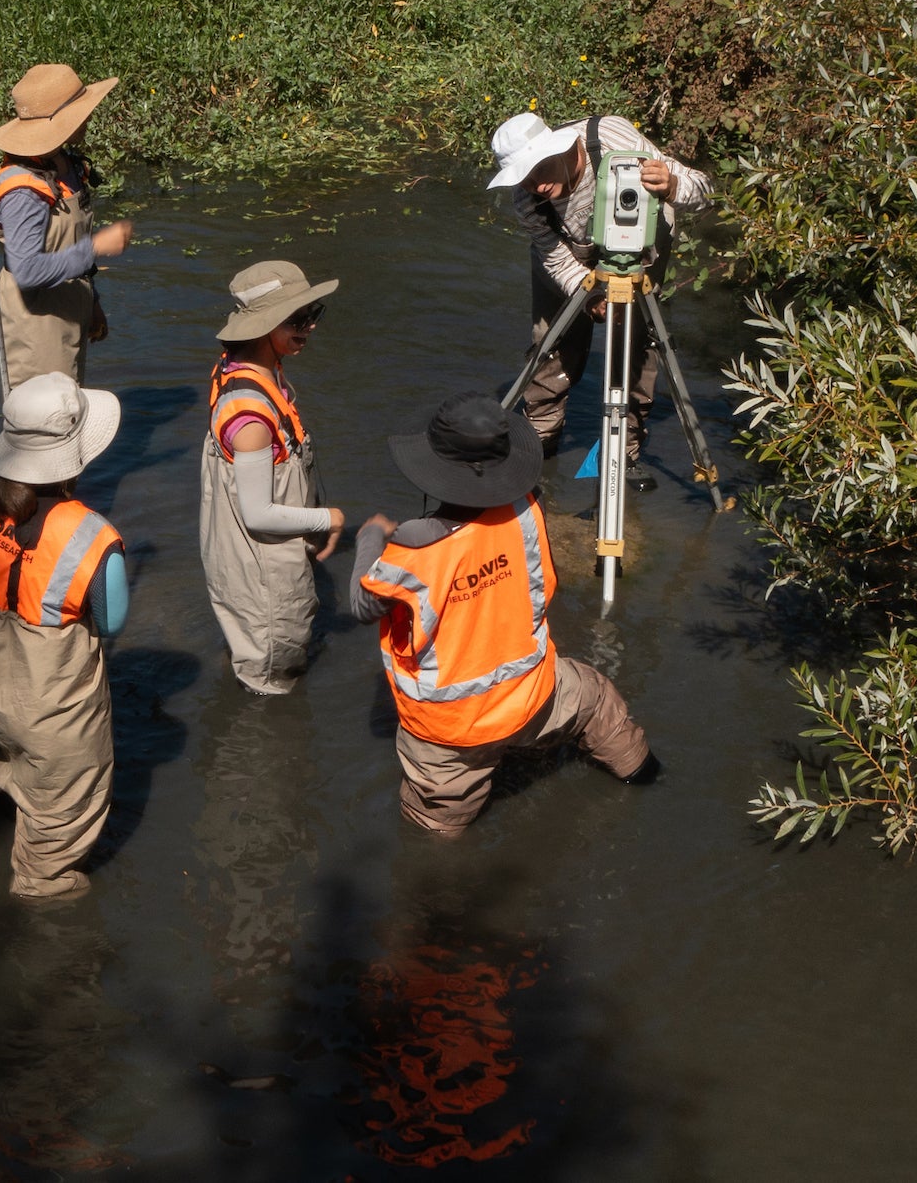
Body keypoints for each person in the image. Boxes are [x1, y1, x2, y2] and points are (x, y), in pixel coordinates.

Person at [351, 392, 661, 835]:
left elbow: (363, 605)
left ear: (433, 470)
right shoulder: (527, 511)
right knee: (596, 699)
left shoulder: (411, 549)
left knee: (435, 819)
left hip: (449, 731)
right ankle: (647, 778)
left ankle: (434, 879)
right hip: (534, 694)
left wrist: (369, 538)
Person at [0, 372, 127, 898]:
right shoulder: (90, 535)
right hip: (48, 703)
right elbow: (111, 623)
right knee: (60, 813)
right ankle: (43, 902)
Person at [487, 111, 711, 486]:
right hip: (568, 257)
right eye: (525, 177)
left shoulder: (612, 139)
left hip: (641, 253)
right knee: (551, 348)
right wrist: (588, 295)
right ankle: (538, 446)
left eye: (540, 170)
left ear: (558, 149)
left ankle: (623, 452)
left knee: (635, 352)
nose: (536, 185)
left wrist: (671, 186)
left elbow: (702, 190)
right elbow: (555, 257)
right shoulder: (526, 200)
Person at [199, 260, 347, 696]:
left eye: (313, 313)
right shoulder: (250, 420)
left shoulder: (246, 368)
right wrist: (330, 519)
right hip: (262, 575)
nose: (311, 327)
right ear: (264, 327)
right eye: (298, 319)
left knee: (252, 650)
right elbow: (258, 514)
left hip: (248, 562)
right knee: (272, 680)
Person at [0, 63, 136, 385]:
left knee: (71, 411)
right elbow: (27, 272)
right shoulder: (23, 191)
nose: (89, 116)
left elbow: (69, 240)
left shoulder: (62, 162)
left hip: (67, 308)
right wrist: (96, 247)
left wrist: (91, 301)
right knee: (49, 425)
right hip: (34, 329)